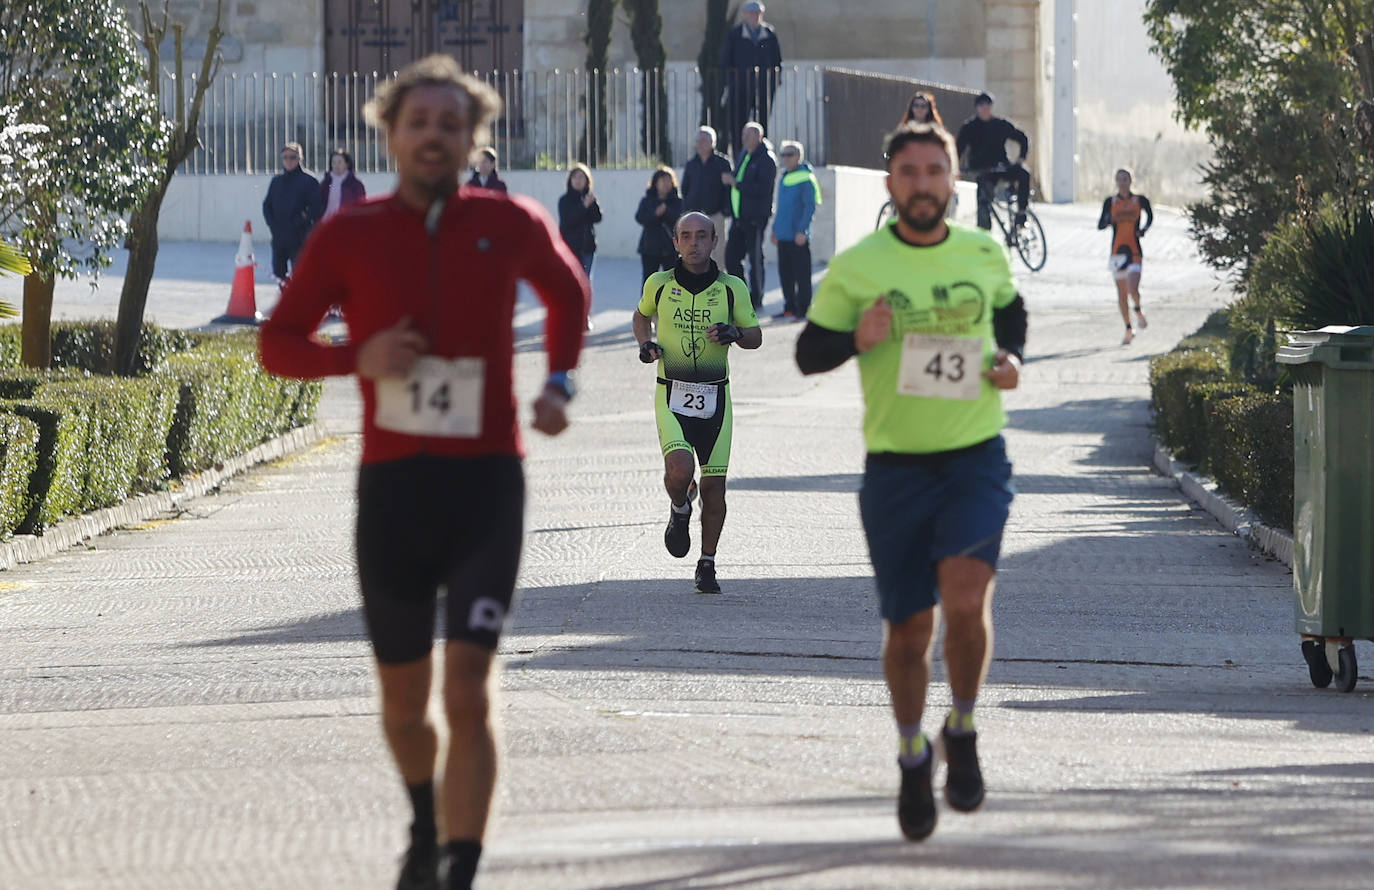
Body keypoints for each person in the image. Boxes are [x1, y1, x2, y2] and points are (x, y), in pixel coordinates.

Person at [258, 54, 588, 890]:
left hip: (486, 485)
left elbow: (569, 292)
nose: (434, 136)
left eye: (451, 124)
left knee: (469, 687)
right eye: (419, 123)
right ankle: (422, 822)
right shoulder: (348, 233)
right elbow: (277, 343)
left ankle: (461, 868)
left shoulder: (506, 221)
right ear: (390, 134)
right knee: (406, 706)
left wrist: (558, 380)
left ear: (474, 137)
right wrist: (356, 356)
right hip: (395, 492)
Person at [795, 122, 1026, 844]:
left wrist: (1012, 358)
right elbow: (807, 352)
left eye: (935, 171)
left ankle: (961, 724)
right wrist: (854, 339)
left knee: (964, 598)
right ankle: (909, 750)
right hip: (894, 467)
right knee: (907, 630)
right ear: (891, 183)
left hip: (975, 457)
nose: (923, 184)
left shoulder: (982, 252)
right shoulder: (859, 265)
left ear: (953, 179)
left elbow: (1011, 312)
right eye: (910, 172)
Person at [633, 211, 762, 595]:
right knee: (678, 468)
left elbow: (755, 336)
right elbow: (641, 318)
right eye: (686, 236)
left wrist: (735, 332)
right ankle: (679, 507)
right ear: (675, 242)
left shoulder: (731, 288)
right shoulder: (658, 284)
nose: (694, 243)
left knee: (714, 489)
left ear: (714, 241)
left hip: (716, 399)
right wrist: (646, 344)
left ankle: (707, 563)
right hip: (671, 391)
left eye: (702, 236)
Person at [955, 92, 1030, 233]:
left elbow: (1022, 137)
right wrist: (956, 168)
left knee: (1024, 174)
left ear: (992, 106)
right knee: (983, 201)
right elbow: (958, 149)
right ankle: (985, 236)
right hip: (982, 171)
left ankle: (1021, 213)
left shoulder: (1000, 124)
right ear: (977, 107)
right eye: (981, 105)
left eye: (988, 104)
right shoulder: (969, 127)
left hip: (1002, 167)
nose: (985, 108)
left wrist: (1020, 159)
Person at [723, 122, 777, 311]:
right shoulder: (744, 154)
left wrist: (736, 183)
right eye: (743, 134)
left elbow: (763, 188)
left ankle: (757, 299)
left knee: (755, 259)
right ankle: (741, 294)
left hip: (755, 217)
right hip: (739, 217)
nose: (744, 138)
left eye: (749, 135)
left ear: (759, 137)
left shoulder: (766, 159)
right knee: (731, 258)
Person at [719, 0, 783, 159]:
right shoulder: (735, 34)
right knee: (738, 123)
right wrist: (731, 82)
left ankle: (762, 155)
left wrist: (774, 81)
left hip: (762, 87)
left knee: (762, 123)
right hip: (739, 87)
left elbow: (776, 60)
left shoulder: (769, 34)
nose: (755, 16)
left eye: (758, 13)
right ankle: (738, 156)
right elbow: (726, 61)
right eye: (752, 13)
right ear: (745, 15)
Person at [1098, 168, 1153, 345]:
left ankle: (1137, 308)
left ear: (1131, 181)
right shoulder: (1110, 202)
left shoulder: (1139, 200)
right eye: (1120, 179)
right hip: (1117, 253)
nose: (1123, 182)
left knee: (1132, 288)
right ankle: (1129, 328)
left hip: (1134, 250)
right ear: (1116, 182)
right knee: (1121, 295)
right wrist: (1106, 221)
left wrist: (1143, 230)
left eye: (1126, 179)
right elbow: (1100, 224)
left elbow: (1150, 216)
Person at [770, 140, 821, 321]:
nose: (786, 158)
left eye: (790, 154)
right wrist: (775, 229)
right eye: (783, 154)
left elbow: (809, 207)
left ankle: (804, 309)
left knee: (802, 274)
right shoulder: (784, 176)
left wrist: (803, 231)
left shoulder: (806, 177)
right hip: (783, 234)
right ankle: (789, 307)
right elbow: (781, 207)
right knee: (786, 274)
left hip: (798, 236)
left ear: (799, 156)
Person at [262, 141, 323, 284]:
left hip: (300, 237)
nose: (289, 161)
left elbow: (315, 209)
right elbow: (267, 206)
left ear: (300, 158)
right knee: (278, 273)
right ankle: (285, 300)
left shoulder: (309, 181)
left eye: (293, 157)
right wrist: (273, 226)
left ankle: (301, 304)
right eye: (285, 157)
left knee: (301, 274)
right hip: (279, 237)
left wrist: (300, 222)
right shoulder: (277, 181)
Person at [680, 125, 733, 267]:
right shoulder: (691, 164)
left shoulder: (722, 163)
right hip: (693, 218)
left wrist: (724, 212)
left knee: (718, 253)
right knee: (694, 252)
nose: (700, 144)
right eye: (698, 141)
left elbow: (729, 190)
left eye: (703, 140)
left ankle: (718, 285)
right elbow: (685, 189)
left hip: (716, 216)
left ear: (712, 143)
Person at [635, 166, 684, 282]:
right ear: (655, 183)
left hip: (670, 248)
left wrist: (666, 212)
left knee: (671, 281)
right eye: (662, 181)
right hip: (650, 247)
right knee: (649, 281)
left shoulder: (678, 202)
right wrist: (655, 214)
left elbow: (681, 220)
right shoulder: (647, 200)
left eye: (668, 180)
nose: (666, 184)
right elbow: (640, 218)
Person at [558, 163, 602, 281]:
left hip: (587, 247)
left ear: (587, 181)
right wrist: (583, 206)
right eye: (575, 177)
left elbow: (597, 218)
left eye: (582, 177)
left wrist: (592, 204)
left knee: (585, 282)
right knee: (569, 281)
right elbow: (568, 221)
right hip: (570, 247)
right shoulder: (564, 200)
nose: (578, 180)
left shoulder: (589, 198)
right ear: (570, 180)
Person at [321, 148, 366, 221]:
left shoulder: (356, 184)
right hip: (328, 222)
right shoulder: (325, 183)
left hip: (347, 222)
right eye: (334, 162)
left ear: (347, 164)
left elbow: (361, 205)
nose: (336, 165)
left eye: (339, 162)